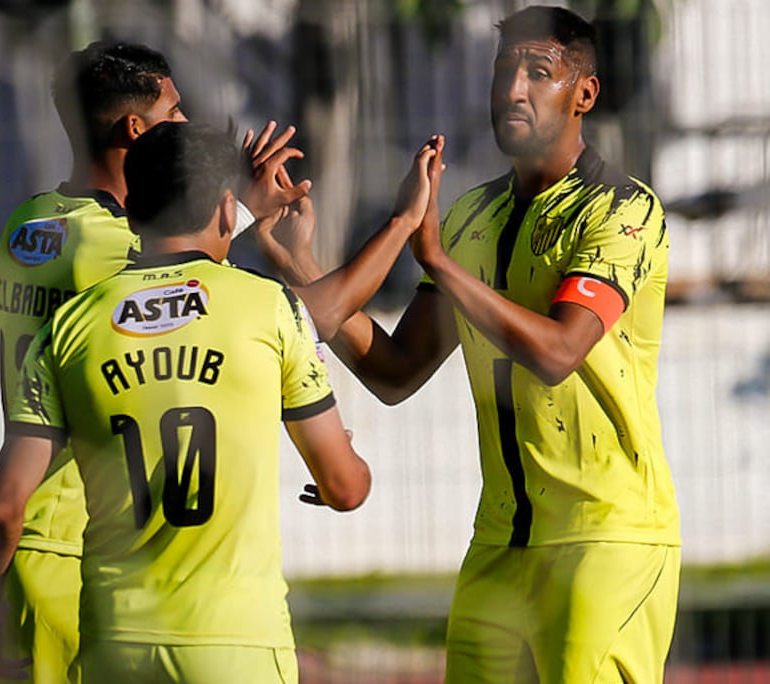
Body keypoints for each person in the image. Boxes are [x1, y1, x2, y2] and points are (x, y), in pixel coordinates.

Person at [259, 6, 680, 682]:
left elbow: (558, 352)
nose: (513, 88)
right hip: (498, 547)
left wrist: (439, 263)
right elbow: (397, 372)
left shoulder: (622, 209)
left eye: (538, 72)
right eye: (504, 69)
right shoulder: (470, 216)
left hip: (605, 541)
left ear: (584, 95)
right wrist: (300, 264)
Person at [0, 121, 397, 683]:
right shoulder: (271, 308)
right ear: (227, 209)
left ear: (130, 212)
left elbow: (3, 507)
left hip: (116, 643)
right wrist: (344, 461)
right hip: (237, 644)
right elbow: (346, 488)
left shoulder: (70, 326)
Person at [0, 40, 310, 683]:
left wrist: (226, 202)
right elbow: (207, 302)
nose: (186, 125)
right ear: (137, 128)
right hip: (74, 544)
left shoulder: (31, 223)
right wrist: (235, 203)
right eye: (175, 112)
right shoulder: (104, 249)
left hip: (26, 534)